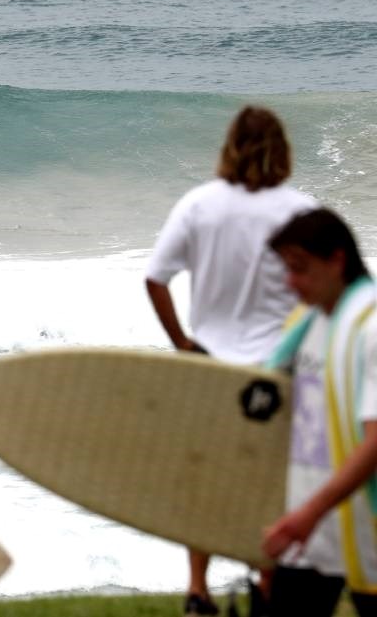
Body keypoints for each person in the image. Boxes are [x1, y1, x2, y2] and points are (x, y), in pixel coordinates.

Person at [144, 105, 316, 616]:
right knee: (268, 481)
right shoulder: (301, 212)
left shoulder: (199, 205)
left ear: (229, 146)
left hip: (211, 365)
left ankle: (198, 590)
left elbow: (156, 278)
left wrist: (181, 343)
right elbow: (322, 294)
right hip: (277, 369)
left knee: (207, 475)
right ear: (282, 149)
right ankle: (267, 587)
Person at [261, 208, 377, 617]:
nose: (290, 282)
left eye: (300, 268)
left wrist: (310, 511)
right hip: (308, 530)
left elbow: (376, 441)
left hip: (360, 526)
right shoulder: (304, 324)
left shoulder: (370, 324)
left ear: (337, 260)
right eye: (286, 269)